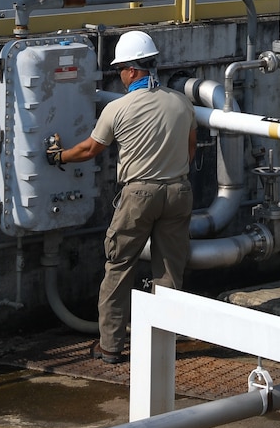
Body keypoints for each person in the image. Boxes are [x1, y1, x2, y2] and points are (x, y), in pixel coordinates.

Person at [46, 30, 196, 364]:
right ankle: (163, 345)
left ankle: (111, 347)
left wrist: (59, 156)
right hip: (179, 191)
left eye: (120, 70)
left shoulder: (119, 108)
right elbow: (190, 149)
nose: (120, 76)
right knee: (170, 272)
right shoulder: (180, 102)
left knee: (119, 267)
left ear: (131, 70)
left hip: (139, 195)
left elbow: (89, 149)